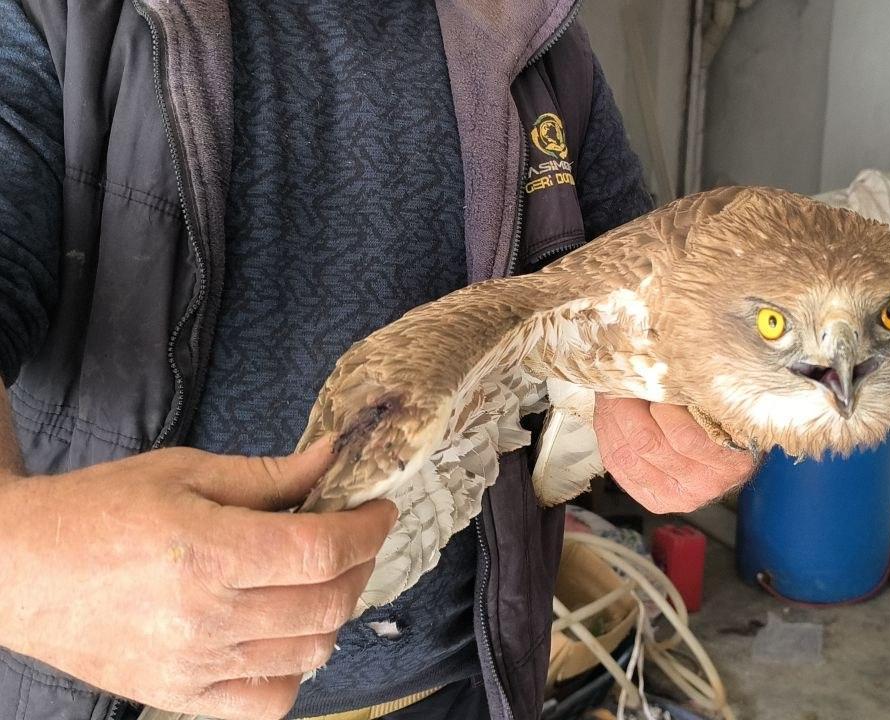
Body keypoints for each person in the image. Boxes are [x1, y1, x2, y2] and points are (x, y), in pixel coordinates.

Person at [0, 1, 755, 719]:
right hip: (138, 693)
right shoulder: (56, 18)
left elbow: (641, 281)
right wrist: (27, 565)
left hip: (465, 683)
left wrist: (704, 413)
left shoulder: (535, 30)